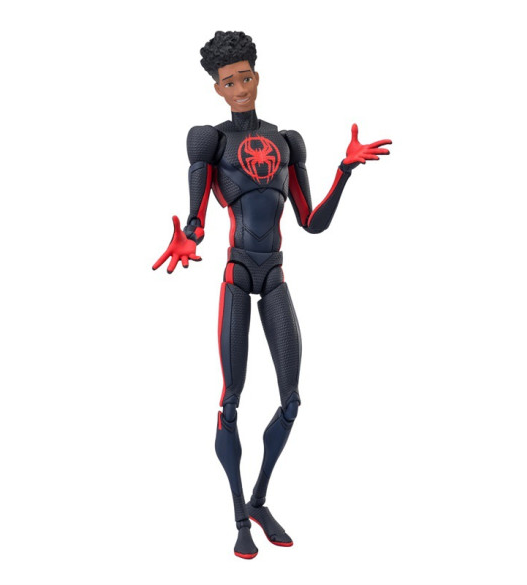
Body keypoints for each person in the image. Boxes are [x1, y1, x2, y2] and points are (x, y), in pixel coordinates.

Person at [153, 31, 391, 559]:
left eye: (246, 77)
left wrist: (344, 171)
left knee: (291, 402)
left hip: (276, 274)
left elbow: (312, 222)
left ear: (257, 76)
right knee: (231, 400)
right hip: (238, 274)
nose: (240, 88)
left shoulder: (287, 142)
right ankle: (239, 517)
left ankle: (259, 500)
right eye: (228, 82)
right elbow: (197, 217)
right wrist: (188, 237)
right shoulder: (210, 141)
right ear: (217, 88)